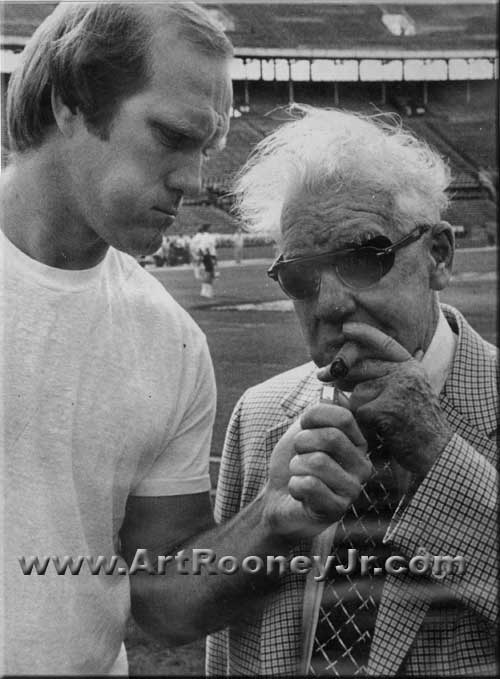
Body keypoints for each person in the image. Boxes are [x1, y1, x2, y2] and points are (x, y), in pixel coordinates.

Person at [1, 6, 378, 675]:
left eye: (205, 149)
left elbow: (164, 601)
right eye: (171, 136)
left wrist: (273, 518)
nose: (195, 182)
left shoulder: (169, 341)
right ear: (70, 103)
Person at [207, 106, 498, 676]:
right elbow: (225, 636)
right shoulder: (261, 415)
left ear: (438, 254)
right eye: (300, 277)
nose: (330, 304)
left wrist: (439, 454)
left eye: (365, 259)